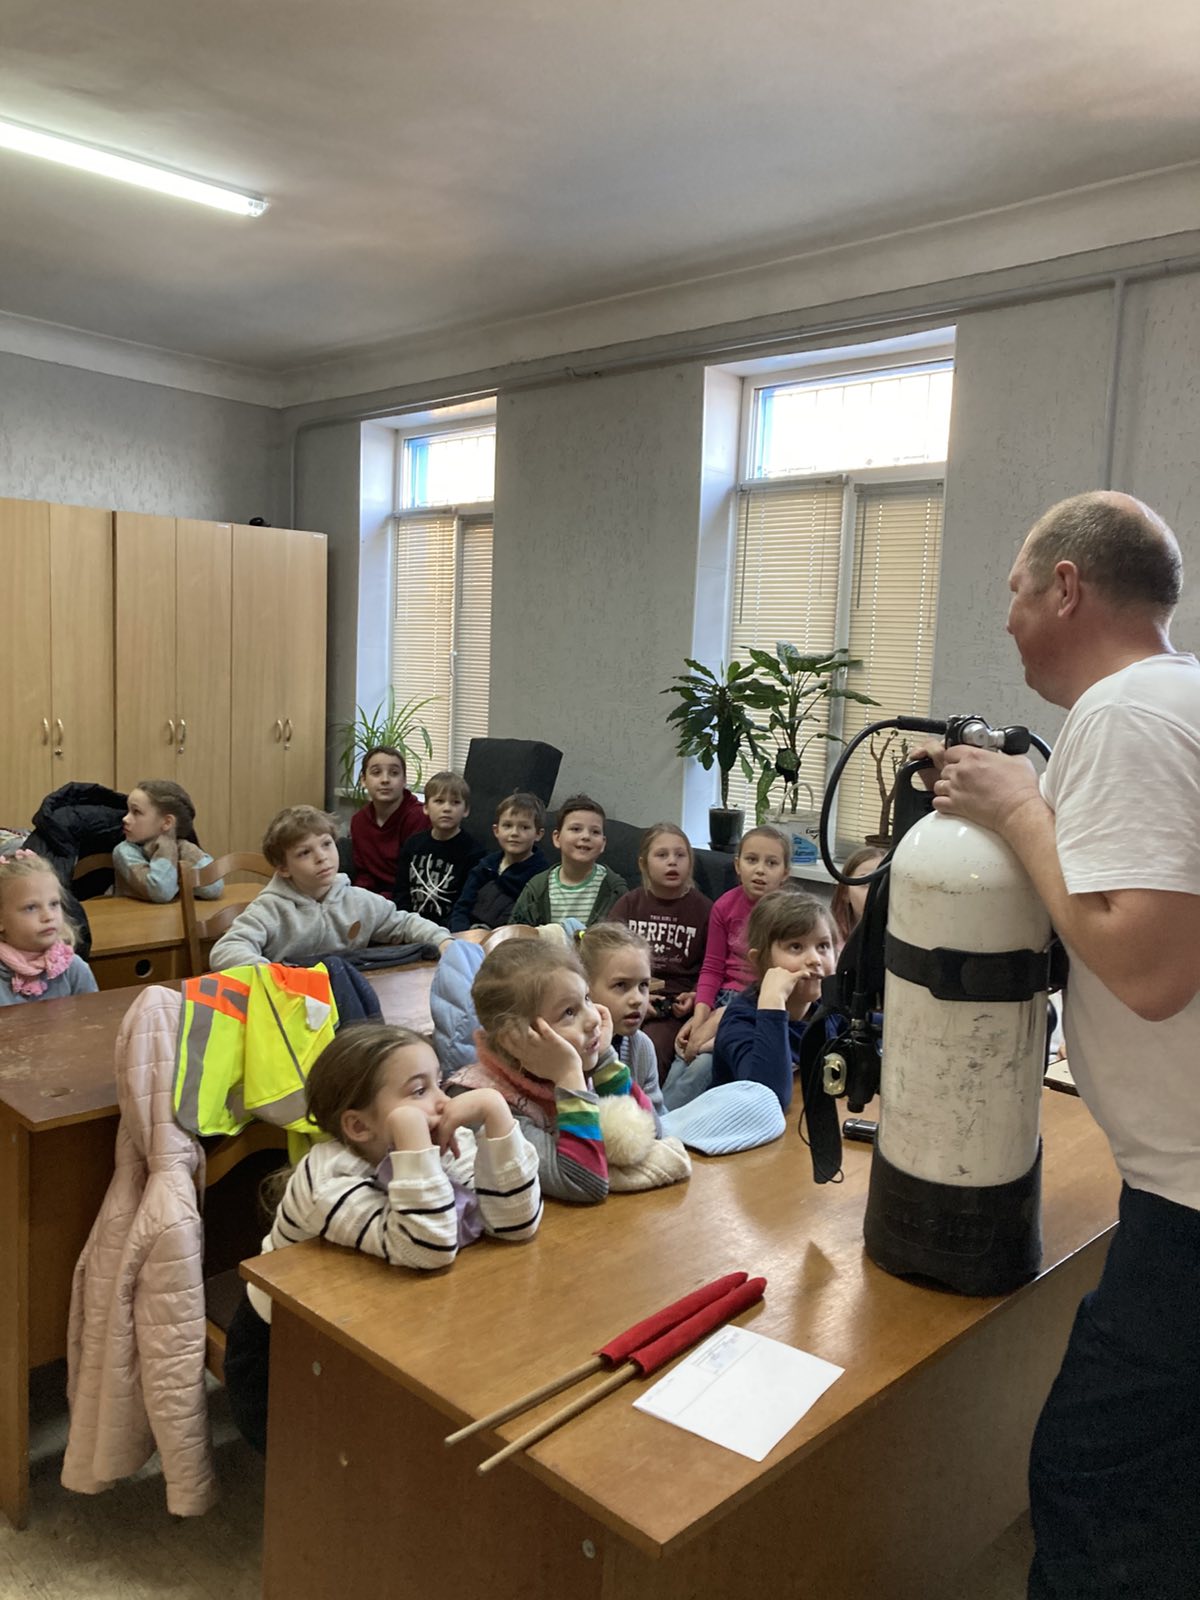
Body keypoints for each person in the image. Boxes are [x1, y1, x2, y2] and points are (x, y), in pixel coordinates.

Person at [924, 491, 1200, 1600]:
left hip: (1191, 1206)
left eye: (1015, 591)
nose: (1007, 619)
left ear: (1068, 587)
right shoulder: (1181, 698)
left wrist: (1017, 809)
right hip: (1175, 1189)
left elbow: (1148, 967)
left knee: (1094, 1489)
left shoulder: (1125, 714)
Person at [222, 1022, 541, 1453]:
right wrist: (414, 1142)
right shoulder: (326, 1179)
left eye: (439, 1082)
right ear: (358, 1126)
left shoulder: (445, 1143)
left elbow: (517, 1224)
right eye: (418, 1091)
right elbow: (427, 1249)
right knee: (318, 1467)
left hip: (375, 1331)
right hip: (283, 1357)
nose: (444, 1102)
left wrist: (497, 1115)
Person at [449, 938, 689, 1202]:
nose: (594, 1019)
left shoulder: (575, 1065)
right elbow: (584, 1183)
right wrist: (569, 1078)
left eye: (587, 998)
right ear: (514, 1039)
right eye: (569, 1012)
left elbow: (652, 1135)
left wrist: (604, 1061)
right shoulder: (486, 1103)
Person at [209, 805, 452, 968]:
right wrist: (272, 975)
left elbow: (404, 923)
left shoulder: (358, 900)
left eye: (326, 844)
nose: (321, 857)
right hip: (292, 1003)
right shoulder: (270, 909)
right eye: (305, 853)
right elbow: (226, 950)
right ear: (283, 868)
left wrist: (442, 941)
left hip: (346, 998)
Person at [671, 824, 792, 1083]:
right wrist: (700, 1018)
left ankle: (663, 1113)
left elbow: (779, 983)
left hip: (758, 1005)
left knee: (702, 1065)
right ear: (737, 865)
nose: (760, 870)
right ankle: (652, 1106)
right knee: (681, 1056)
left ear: (785, 873)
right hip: (721, 998)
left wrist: (718, 1021)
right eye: (751, 860)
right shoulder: (724, 906)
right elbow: (712, 968)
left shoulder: (790, 916)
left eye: (771, 863)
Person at [712, 890, 838, 1108]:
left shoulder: (830, 1010)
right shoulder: (740, 1021)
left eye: (823, 946)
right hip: (743, 1127)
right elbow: (769, 1100)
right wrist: (772, 1006)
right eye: (796, 947)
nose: (815, 959)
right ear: (760, 960)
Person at [606, 824, 712, 1073]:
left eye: (680, 855)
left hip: (673, 1007)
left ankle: (642, 1096)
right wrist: (633, 996)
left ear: (690, 862)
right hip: (628, 995)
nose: (672, 862)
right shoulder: (629, 904)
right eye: (662, 855)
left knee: (653, 1046)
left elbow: (713, 965)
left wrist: (695, 995)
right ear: (643, 863)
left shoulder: (705, 909)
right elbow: (605, 957)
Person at [577, 922, 666, 1115]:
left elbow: (656, 1120)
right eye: (621, 985)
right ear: (585, 988)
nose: (637, 999)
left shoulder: (642, 1047)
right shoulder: (573, 1052)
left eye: (643, 985)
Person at [510, 795, 626, 928]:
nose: (586, 836)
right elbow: (516, 933)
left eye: (595, 832)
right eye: (576, 829)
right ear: (557, 838)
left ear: (603, 843)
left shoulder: (615, 890)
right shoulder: (537, 888)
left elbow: (624, 936)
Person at [0, 848, 97, 1004]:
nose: (48, 916)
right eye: (31, 908)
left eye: (54, 904)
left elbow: (92, 1015)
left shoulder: (74, 968)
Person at [112, 779, 224, 903]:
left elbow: (214, 888)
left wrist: (187, 850)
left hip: (173, 914)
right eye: (128, 811)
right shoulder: (124, 850)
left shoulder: (182, 847)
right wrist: (165, 851)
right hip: (132, 914)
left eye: (136, 812)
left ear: (167, 822)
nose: (125, 818)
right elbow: (161, 892)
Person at [395, 771, 485, 926]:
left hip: (449, 929)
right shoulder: (413, 845)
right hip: (410, 926)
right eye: (439, 801)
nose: (447, 808)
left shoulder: (474, 853)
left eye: (455, 802)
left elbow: (466, 904)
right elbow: (401, 892)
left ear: (466, 810)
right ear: (426, 807)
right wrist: (409, 924)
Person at [449, 791, 548, 931]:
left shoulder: (541, 877)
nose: (514, 833)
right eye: (507, 825)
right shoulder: (485, 866)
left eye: (525, 827)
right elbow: (462, 908)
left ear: (538, 834)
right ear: (496, 830)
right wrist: (461, 936)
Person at [349, 746, 425, 897]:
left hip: (408, 898)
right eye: (376, 773)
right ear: (363, 780)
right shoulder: (359, 821)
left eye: (394, 773)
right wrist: (359, 898)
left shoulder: (419, 817)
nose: (385, 780)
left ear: (404, 780)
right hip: (372, 899)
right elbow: (364, 873)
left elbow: (417, 878)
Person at [829, 844, 885, 947]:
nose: (875, 892)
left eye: (883, 884)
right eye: (866, 883)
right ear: (845, 892)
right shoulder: (829, 940)